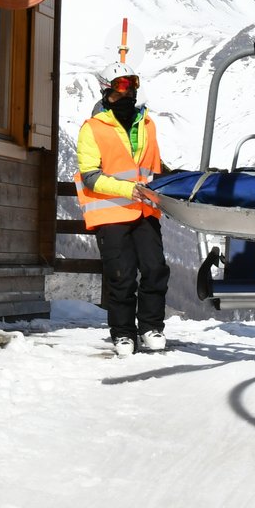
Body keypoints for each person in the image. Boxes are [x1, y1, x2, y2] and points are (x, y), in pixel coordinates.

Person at [74, 61, 171, 356]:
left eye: (132, 85)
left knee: (155, 269)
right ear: (107, 90)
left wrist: (174, 180)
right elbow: (90, 174)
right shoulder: (92, 129)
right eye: (121, 86)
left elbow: (152, 165)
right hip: (111, 212)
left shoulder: (146, 124)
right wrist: (128, 189)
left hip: (144, 210)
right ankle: (124, 333)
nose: (128, 93)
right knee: (121, 274)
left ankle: (151, 327)